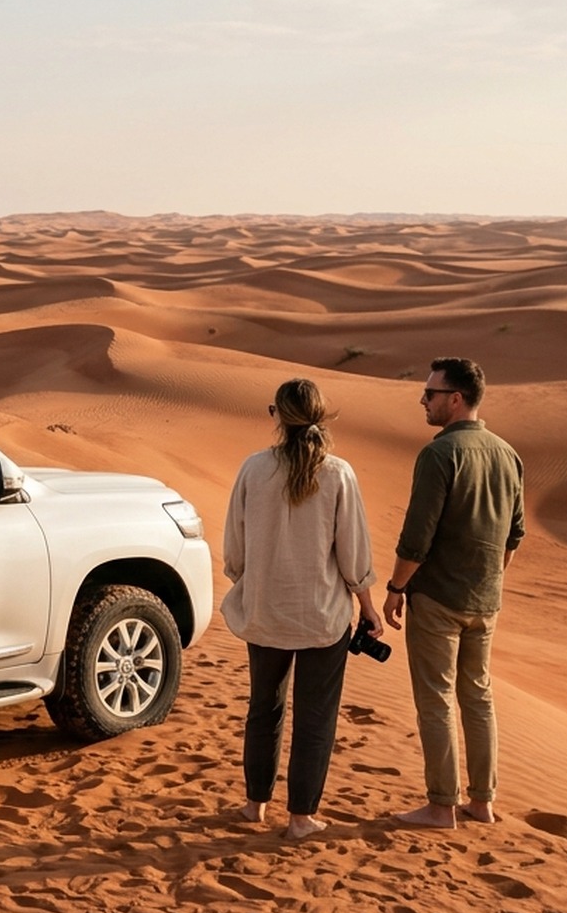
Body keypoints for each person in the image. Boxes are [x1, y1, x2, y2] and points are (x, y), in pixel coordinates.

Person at [222, 378, 381, 840]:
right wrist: (367, 606)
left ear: (278, 417)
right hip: (323, 617)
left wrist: (255, 582)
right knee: (315, 716)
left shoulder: (253, 469)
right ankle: (301, 818)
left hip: (265, 611)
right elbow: (353, 553)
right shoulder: (338, 473)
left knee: (263, 709)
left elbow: (235, 548)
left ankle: (255, 805)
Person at [382, 357, 525, 829]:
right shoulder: (507, 454)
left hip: (439, 599)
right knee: (478, 697)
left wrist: (397, 586)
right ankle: (482, 802)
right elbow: (514, 535)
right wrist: (488, 577)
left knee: (436, 700)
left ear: (456, 399)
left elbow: (417, 535)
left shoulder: (441, 454)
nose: (424, 401)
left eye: (431, 393)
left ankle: (442, 804)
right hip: (485, 600)